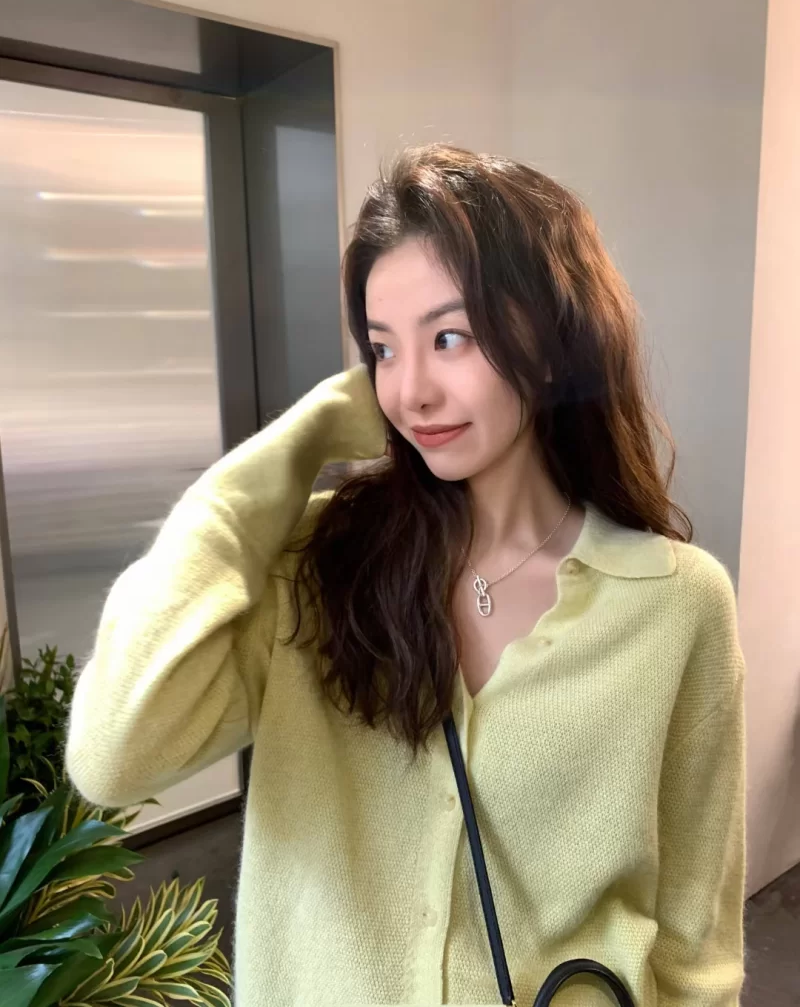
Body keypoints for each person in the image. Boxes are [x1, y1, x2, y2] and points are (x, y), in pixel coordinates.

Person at [65, 145, 745, 1007]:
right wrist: (290, 451)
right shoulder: (315, 567)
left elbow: (696, 946)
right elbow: (113, 753)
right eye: (384, 350)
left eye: (449, 337)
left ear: (550, 344)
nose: (411, 390)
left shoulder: (676, 605)